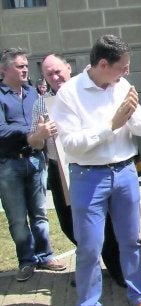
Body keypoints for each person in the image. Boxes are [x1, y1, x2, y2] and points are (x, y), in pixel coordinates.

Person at [50, 35, 141, 306]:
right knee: (89, 247)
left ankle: (138, 295)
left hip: (125, 172)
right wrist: (112, 125)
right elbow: (71, 144)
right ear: (103, 64)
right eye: (123, 67)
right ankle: (89, 302)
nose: (128, 72)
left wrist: (131, 114)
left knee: (131, 240)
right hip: (88, 177)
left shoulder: (122, 86)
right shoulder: (69, 94)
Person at [26, 54, 126, 288]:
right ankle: (90, 269)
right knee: (70, 224)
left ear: (69, 68)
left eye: (58, 71)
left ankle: (117, 269)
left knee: (105, 222)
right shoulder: (42, 103)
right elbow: (33, 142)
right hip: (59, 170)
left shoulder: (85, 92)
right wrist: (40, 134)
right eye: (49, 73)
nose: (55, 76)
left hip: (91, 167)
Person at [0, 48, 67, 282]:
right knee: (18, 218)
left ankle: (45, 255)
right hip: (9, 165)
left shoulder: (33, 95)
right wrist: (32, 132)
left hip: (36, 161)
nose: (25, 69)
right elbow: (1, 130)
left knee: (40, 214)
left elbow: (46, 121)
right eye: (19, 66)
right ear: (4, 69)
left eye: (26, 65)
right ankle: (26, 261)